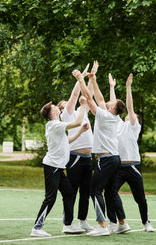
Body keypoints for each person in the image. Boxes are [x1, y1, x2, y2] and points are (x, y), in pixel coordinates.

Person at [72, 62, 130, 237]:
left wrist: (81, 79)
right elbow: (99, 97)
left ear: (111, 109)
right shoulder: (113, 117)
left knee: (94, 190)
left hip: (106, 159)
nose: (107, 102)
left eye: (110, 103)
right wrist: (93, 79)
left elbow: (89, 98)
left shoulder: (104, 116)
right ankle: (122, 223)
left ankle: (102, 226)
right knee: (111, 192)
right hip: (115, 158)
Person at [30, 96, 89, 238]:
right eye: (54, 107)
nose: (57, 107)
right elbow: (78, 121)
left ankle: (68, 225)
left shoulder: (56, 126)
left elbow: (66, 140)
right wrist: (82, 105)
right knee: (50, 198)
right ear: (53, 113)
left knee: (68, 193)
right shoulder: (54, 125)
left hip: (57, 167)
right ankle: (37, 228)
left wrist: (80, 132)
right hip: (52, 167)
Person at [107, 73, 154, 233]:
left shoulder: (134, 127)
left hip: (133, 166)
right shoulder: (118, 124)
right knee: (110, 192)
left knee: (139, 198)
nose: (129, 115)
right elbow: (113, 107)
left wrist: (128, 88)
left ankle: (146, 222)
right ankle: (115, 223)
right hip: (119, 167)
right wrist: (112, 87)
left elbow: (130, 107)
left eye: (132, 116)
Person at [57, 63, 95, 232]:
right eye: (64, 104)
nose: (68, 104)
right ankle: (67, 223)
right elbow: (74, 95)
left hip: (88, 158)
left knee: (86, 192)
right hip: (75, 158)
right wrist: (79, 78)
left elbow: (89, 96)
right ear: (61, 109)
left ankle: (83, 220)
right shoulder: (66, 115)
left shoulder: (82, 112)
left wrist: (91, 78)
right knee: (71, 191)